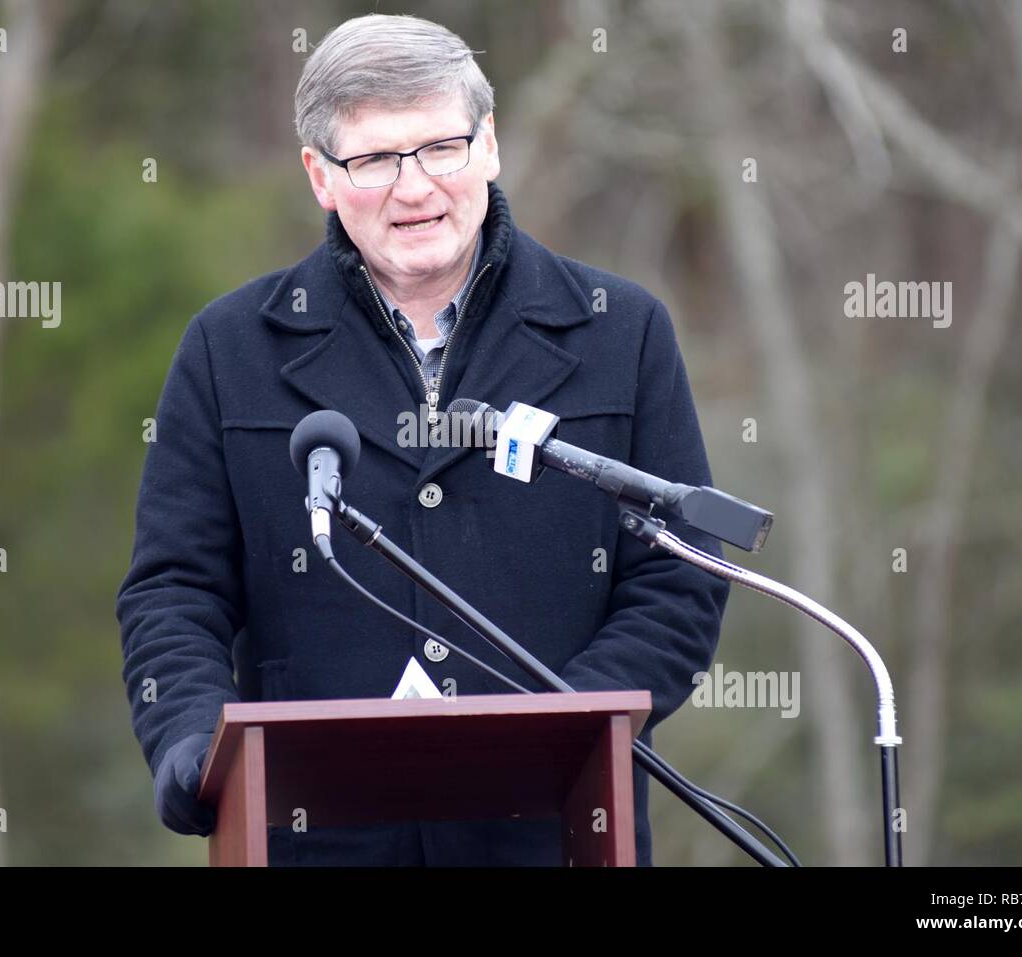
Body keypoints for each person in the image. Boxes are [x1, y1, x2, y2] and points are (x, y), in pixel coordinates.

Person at [116, 13, 730, 866]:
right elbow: (174, 591)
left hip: (555, 837)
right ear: (320, 176)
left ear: (490, 146)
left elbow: (678, 579)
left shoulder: (621, 333)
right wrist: (192, 737)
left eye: (442, 148)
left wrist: (563, 729)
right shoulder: (229, 349)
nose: (414, 189)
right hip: (317, 843)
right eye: (374, 160)